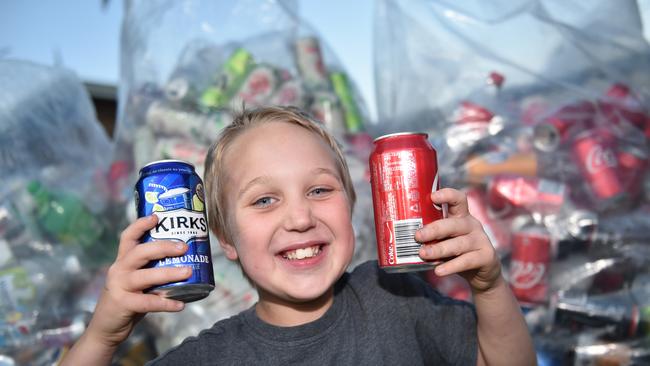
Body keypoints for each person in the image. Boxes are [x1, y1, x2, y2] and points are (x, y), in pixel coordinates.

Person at [62, 106, 536, 365]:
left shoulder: (398, 300)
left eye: (319, 189)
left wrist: (489, 287)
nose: (300, 217)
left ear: (352, 206)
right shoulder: (210, 357)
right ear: (224, 239)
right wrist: (103, 337)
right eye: (264, 200)